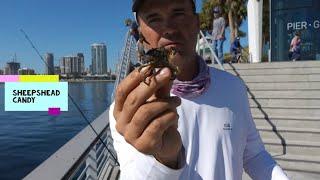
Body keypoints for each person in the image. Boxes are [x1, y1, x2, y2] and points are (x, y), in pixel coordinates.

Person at [110, 0, 289, 179]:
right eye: (154, 18)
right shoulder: (127, 110)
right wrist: (166, 160)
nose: (169, 29)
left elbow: (254, 155)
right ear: (141, 35)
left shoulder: (234, 87)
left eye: (178, 13)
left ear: (197, 23)